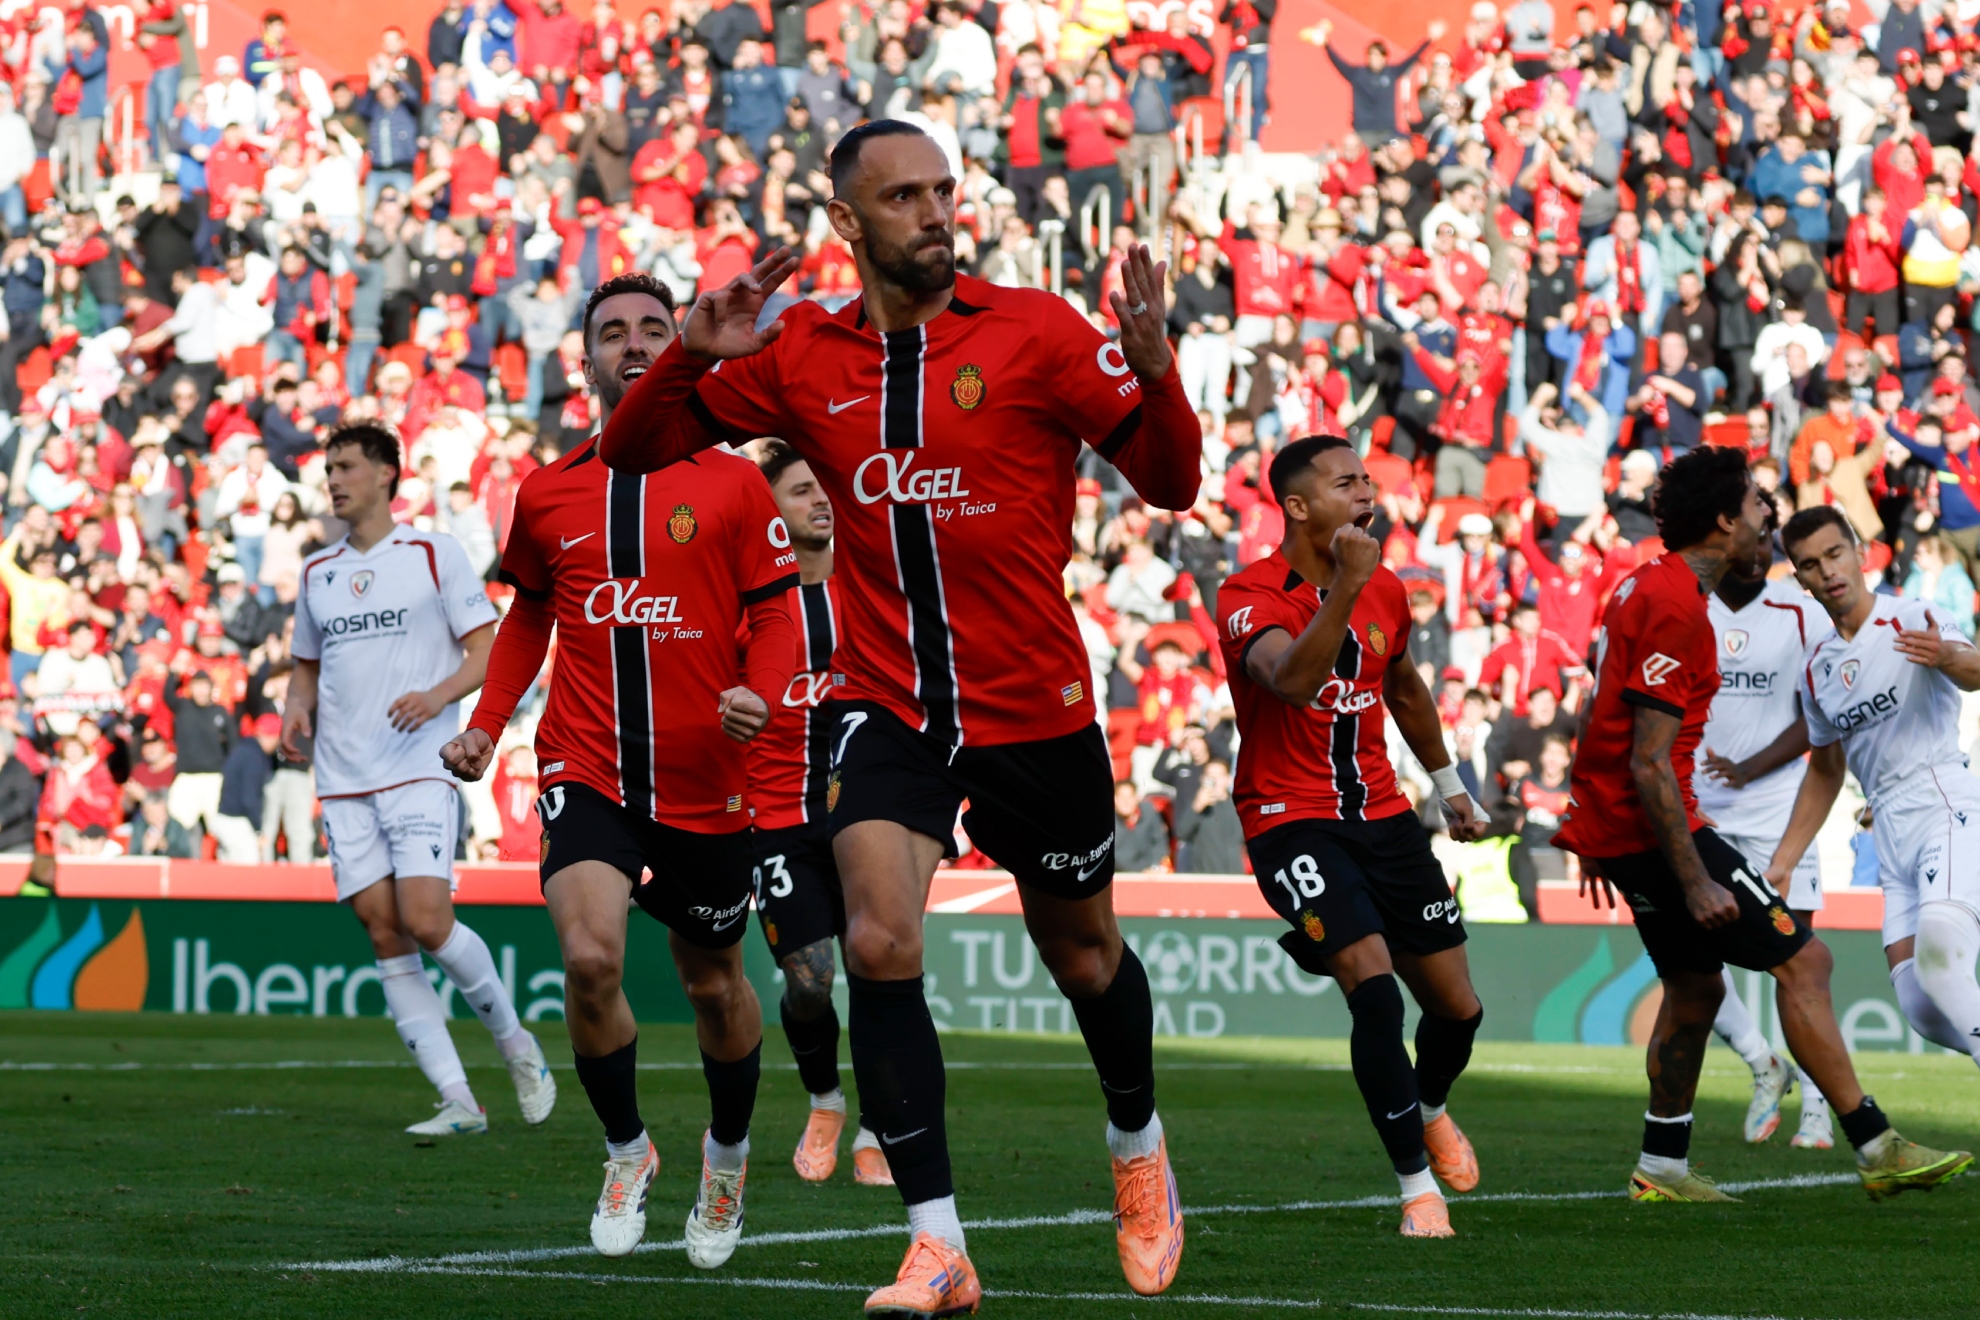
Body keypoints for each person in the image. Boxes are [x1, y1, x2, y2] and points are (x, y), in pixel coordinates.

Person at [598, 120, 1201, 1313]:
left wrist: (1157, 362)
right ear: (850, 223)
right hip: (887, 705)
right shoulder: (803, 353)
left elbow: (1174, 481)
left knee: (1082, 955)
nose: (934, 212)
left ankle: (1138, 1147)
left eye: (943, 191)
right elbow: (633, 453)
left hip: (1034, 706)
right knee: (877, 942)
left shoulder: (1033, 331)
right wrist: (691, 358)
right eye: (905, 196)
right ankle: (939, 1245)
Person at [440, 272, 797, 1268]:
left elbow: (774, 608)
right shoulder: (548, 490)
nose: (635, 343)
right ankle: (628, 1150)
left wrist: (761, 694)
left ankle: (724, 1158)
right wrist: (488, 726)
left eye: (655, 327)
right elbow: (530, 614)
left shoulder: (731, 480)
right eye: (614, 332)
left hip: (706, 780)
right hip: (587, 768)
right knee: (591, 960)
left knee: (716, 983)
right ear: (585, 358)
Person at [1553, 447, 1968, 1203]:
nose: (1763, 517)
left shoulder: (1646, 586)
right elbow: (1649, 761)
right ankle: (1876, 1145)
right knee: (1805, 964)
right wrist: (1691, 876)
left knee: (1693, 989)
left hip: (1623, 825)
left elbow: (1599, 711)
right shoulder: (1678, 603)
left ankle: (1663, 1167)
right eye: (1753, 504)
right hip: (1653, 829)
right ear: (1723, 520)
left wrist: (1586, 818)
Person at [1215, 435, 1490, 1237]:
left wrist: (1450, 790)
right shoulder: (1247, 592)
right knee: (1373, 993)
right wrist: (1346, 585)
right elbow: (1294, 682)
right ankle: (1416, 1191)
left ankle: (1431, 1107)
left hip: (1384, 815)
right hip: (1288, 817)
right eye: (1346, 483)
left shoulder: (1388, 591)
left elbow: (1403, 689)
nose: (1367, 492)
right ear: (1299, 507)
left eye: (1368, 479)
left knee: (1458, 1011)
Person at [283, 422, 554, 1140]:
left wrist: (438, 698)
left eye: (345, 466)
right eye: (328, 468)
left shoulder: (434, 552)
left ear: (384, 474)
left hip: (418, 768)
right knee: (383, 930)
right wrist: (294, 711)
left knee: (427, 920)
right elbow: (306, 663)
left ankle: (517, 1046)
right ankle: (460, 1100)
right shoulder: (317, 571)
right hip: (342, 776)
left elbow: (489, 647)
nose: (333, 479)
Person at [1770, 507, 1980, 1096]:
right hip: (1887, 829)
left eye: (1835, 554)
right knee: (1920, 1004)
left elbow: (1975, 672)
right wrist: (1783, 861)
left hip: (1944, 803)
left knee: (1942, 961)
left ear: (1860, 552)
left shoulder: (1913, 616)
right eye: (1810, 564)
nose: (1828, 571)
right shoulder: (1817, 670)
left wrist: (1947, 657)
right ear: (1801, 578)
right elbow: (1826, 769)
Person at [743, 439, 893, 1189]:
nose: (819, 499)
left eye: (825, 485)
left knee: (878, 969)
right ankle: (825, 1100)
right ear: (771, 510)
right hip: (775, 820)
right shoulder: (750, 606)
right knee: (809, 980)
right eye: (801, 490)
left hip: (867, 813)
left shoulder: (874, 592)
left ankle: (879, 1125)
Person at [1693, 525, 1836, 1151]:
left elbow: (1823, 716)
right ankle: (1761, 1062)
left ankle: (1818, 1108)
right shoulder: (1685, 607)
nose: (1752, 550)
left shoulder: (1802, 611)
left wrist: (1751, 768)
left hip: (1780, 808)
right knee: (1690, 960)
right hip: (1699, 813)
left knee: (1794, 960)